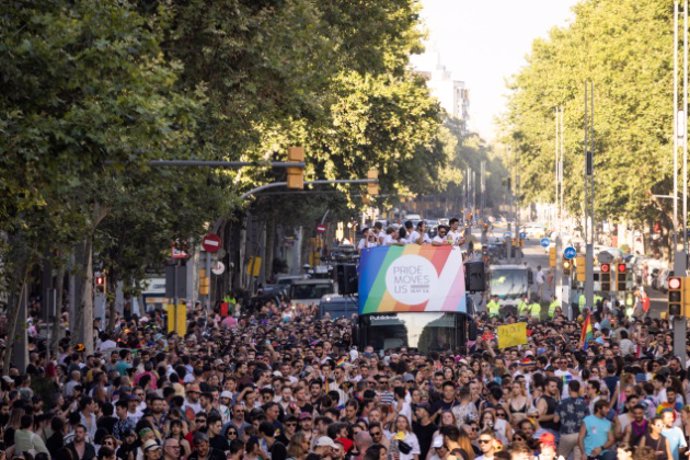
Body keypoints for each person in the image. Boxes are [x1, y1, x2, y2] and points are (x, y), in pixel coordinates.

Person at [554, 380, 588, 460]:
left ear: (569, 389)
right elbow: (587, 421)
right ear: (578, 389)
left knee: (561, 457)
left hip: (566, 435)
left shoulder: (562, 403)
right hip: (580, 436)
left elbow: (555, 420)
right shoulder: (584, 403)